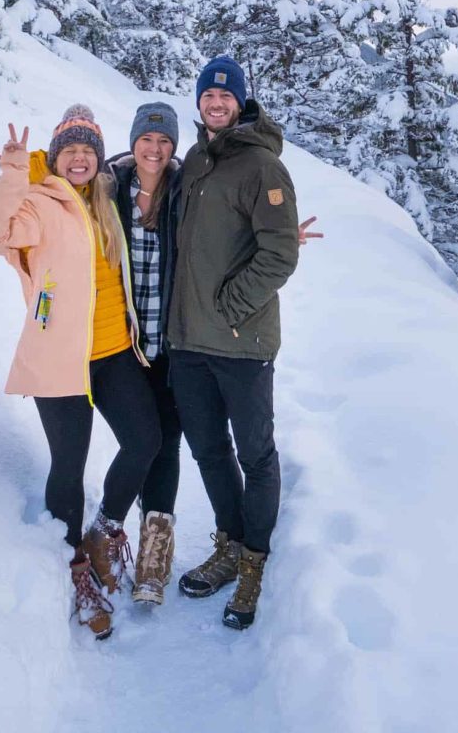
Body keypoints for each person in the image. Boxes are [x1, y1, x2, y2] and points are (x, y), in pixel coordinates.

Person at [0, 104, 165, 640]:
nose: (79, 158)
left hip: (112, 353)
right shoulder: (37, 201)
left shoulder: (104, 201)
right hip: (60, 359)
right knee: (68, 468)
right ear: (56, 157)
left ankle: (104, 533)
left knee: (145, 439)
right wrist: (13, 174)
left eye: (87, 150)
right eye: (70, 150)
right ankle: (76, 572)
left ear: (98, 159)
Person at [166, 55, 301, 630]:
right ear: (198, 103)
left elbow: (280, 253)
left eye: (226, 97)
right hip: (190, 343)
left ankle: (254, 561)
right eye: (207, 97)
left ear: (241, 101)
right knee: (210, 451)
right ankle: (228, 543)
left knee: (255, 454)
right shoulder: (196, 160)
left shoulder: (262, 167)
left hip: (242, 342)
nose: (216, 104)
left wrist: (231, 305)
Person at [105, 101, 185, 605]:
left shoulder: (185, 190)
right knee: (144, 440)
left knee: (168, 443)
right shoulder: (110, 189)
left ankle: (155, 552)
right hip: (125, 344)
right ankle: (109, 533)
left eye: (164, 142)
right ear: (133, 141)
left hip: (175, 343)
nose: (154, 149)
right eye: (147, 139)